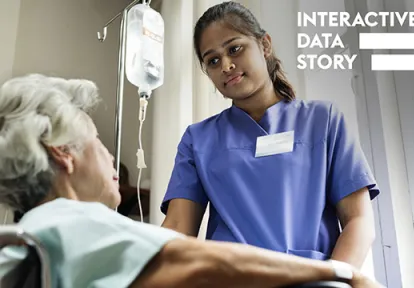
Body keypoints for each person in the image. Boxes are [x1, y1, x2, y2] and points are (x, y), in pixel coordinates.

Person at [0, 74, 383, 288]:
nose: (110, 157)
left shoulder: (35, 232)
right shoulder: (71, 221)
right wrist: (341, 272)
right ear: (63, 152)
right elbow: (194, 261)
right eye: (97, 140)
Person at [161, 1, 380, 270]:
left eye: (234, 49)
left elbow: (359, 221)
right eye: (213, 60)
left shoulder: (323, 121)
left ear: (264, 45)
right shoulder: (198, 140)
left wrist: (334, 280)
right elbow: (178, 229)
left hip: (314, 280)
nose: (226, 65)